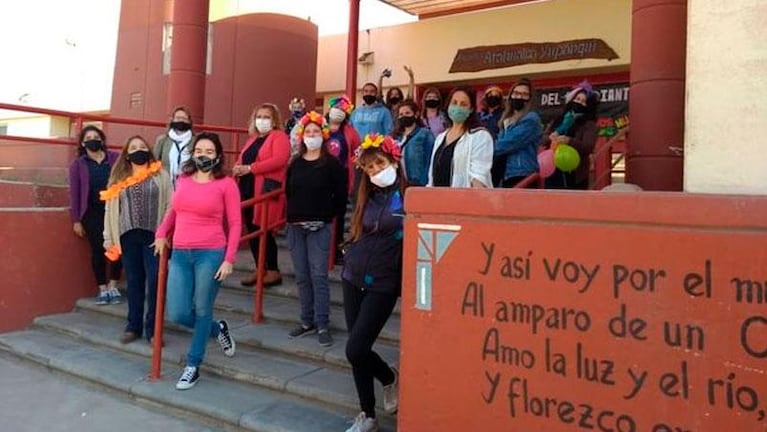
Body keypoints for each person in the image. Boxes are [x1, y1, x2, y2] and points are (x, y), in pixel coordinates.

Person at [154, 132, 240, 390]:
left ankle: (193, 365)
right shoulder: (183, 179)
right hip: (180, 252)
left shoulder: (226, 184)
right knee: (178, 312)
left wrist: (229, 259)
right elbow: (174, 211)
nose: (203, 155)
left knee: (202, 308)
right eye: (199, 150)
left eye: (209, 151)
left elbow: (235, 223)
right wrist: (161, 233)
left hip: (211, 253)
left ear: (218, 156)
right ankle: (218, 329)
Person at [342, 134, 404, 432]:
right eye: (369, 168)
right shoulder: (364, 194)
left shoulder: (410, 193)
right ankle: (367, 414)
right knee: (358, 349)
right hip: (353, 276)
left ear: (393, 161)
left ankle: (390, 378)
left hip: (384, 281)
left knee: (356, 349)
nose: (376, 172)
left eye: (380, 164)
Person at [285, 112, 347, 347]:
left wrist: (329, 216)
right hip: (295, 227)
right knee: (302, 276)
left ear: (323, 134)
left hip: (320, 227)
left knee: (319, 275)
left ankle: (322, 323)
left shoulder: (331, 164)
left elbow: (341, 196)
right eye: (308, 132)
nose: (312, 136)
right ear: (302, 136)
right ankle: (306, 321)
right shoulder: (295, 162)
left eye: (315, 132)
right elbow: (288, 191)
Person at [102, 135, 172, 344]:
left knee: (156, 280)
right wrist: (108, 238)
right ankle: (133, 326)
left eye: (142, 146)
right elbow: (110, 209)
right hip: (127, 235)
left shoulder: (161, 175)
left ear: (149, 151)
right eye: (133, 147)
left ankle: (153, 329)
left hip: (154, 236)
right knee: (134, 281)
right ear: (127, 153)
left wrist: (164, 233)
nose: (138, 150)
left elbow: (171, 205)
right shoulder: (118, 177)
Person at [232, 103, 290, 287]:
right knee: (252, 229)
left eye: (266, 117)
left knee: (265, 230)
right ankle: (260, 267)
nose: (262, 120)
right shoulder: (253, 138)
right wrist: (238, 167)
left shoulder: (279, 136)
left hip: (265, 190)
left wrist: (250, 168)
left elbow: (279, 160)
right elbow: (243, 158)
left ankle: (273, 270)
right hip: (248, 189)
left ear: (274, 120)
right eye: (259, 116)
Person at [69, 125, 123, 305]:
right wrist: (76, 220)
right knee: (98, 250)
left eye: (96, 136)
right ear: (83, 143)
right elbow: (75, 193)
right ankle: (102, 289)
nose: (93, 139)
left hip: (114, 210)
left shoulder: (115, 158)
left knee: (116, 247)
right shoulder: (78, 164)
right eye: (88, 137)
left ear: (101, 140)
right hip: (91, 212)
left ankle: (113, 285)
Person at [427, 86, 493, 188]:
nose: (457, 107)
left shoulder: (480, 136)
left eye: (463, 104)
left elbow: (479, 176)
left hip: (465, 200)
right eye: (454, 103)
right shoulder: (440, 138)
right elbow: (432, 174)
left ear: (471, 109)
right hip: (438, 199)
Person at [543, 81, 600, 190]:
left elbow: (588, 146)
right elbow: (543, 139)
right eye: (577, 99)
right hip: (553, 169)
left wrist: (569, 140)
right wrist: (550, 137)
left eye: (583, 101)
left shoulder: (589, 124)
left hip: (575, 173)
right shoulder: (558, 119)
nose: (579, 103)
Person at [326, 95, 360, 262]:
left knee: (338, 216)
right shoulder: (319, 128)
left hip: (341, 177)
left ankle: (337, 250)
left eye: (342, 110)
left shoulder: (351, 133)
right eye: (336, 108)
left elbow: (357, 153)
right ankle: (323, 250)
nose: (338, 112)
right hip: (321, 176)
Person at [494, 78, 543, 188]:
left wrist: (483, 148)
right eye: (516, 93)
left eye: (524, 94)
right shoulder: (506, 119)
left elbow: (508, 143)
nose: (519, 97)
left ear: (530, 99)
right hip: (505, 175)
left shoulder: (531, 119)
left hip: (523, 174)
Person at [392, 99, 434, 186]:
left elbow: (430, 160)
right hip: (400, 183)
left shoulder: (425, 134)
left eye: (407, 113)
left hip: (419, 183)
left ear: (416, 114)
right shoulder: (396, 137)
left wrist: (426, 182)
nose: (404, 116)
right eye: (401, 114)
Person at [153, 106, 194, 187]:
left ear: (189, 121)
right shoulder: (162, 140)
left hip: (188, 184)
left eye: (184, 118)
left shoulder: (195, 141)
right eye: (178, 118)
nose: (181, 120)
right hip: (165, 183)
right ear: (172, 120)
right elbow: (154, 161)